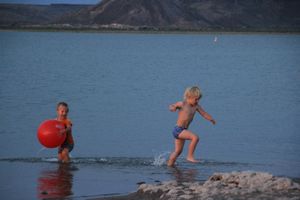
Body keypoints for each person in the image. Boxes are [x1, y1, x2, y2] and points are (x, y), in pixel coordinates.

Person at [168, 86, 216, 167]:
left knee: (178, 151)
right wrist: (173, 108)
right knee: (195, 137)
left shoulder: (196, 106)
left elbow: (204, 114)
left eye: (198, 99)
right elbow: (172, 105)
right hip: (178, 130)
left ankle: (169, 165)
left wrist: (211, 119)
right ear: (189, 97)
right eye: (195, 99)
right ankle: (190, 156)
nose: (197, 101)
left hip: (183, 130)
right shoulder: (183, 104)